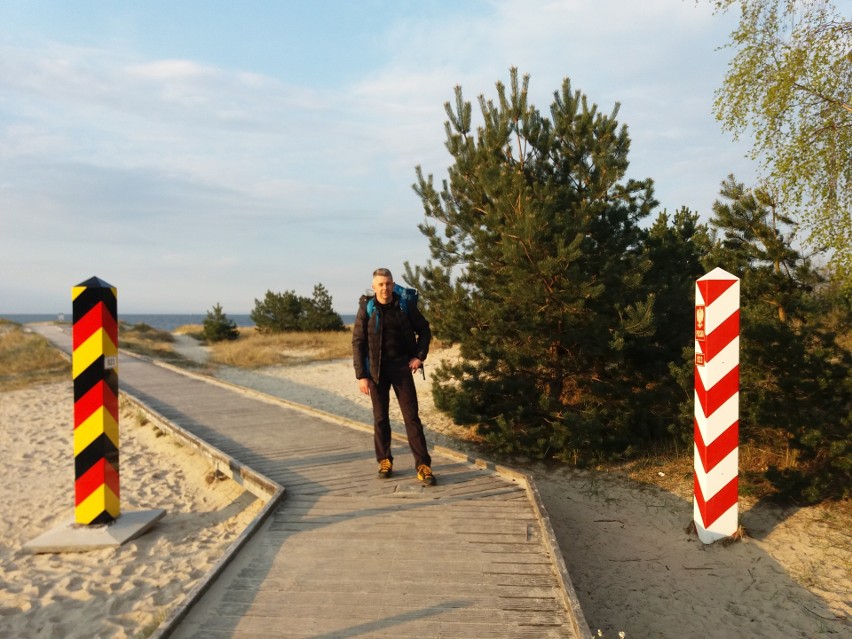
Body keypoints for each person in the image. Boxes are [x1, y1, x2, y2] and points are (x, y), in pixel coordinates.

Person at [352, 268, 436, 485]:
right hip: (377, 372)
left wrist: (419, 356)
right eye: (380, 284)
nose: (385, 288)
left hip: (401, 369)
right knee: (380, 418)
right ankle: (384, 460)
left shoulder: (403, 306)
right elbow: (358, 343)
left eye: (388, 283)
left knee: (412, 418)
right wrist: (362, 375)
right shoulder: (367, 308)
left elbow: (425, 330)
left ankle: (423, 465)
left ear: (392, 284)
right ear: (374, 286)